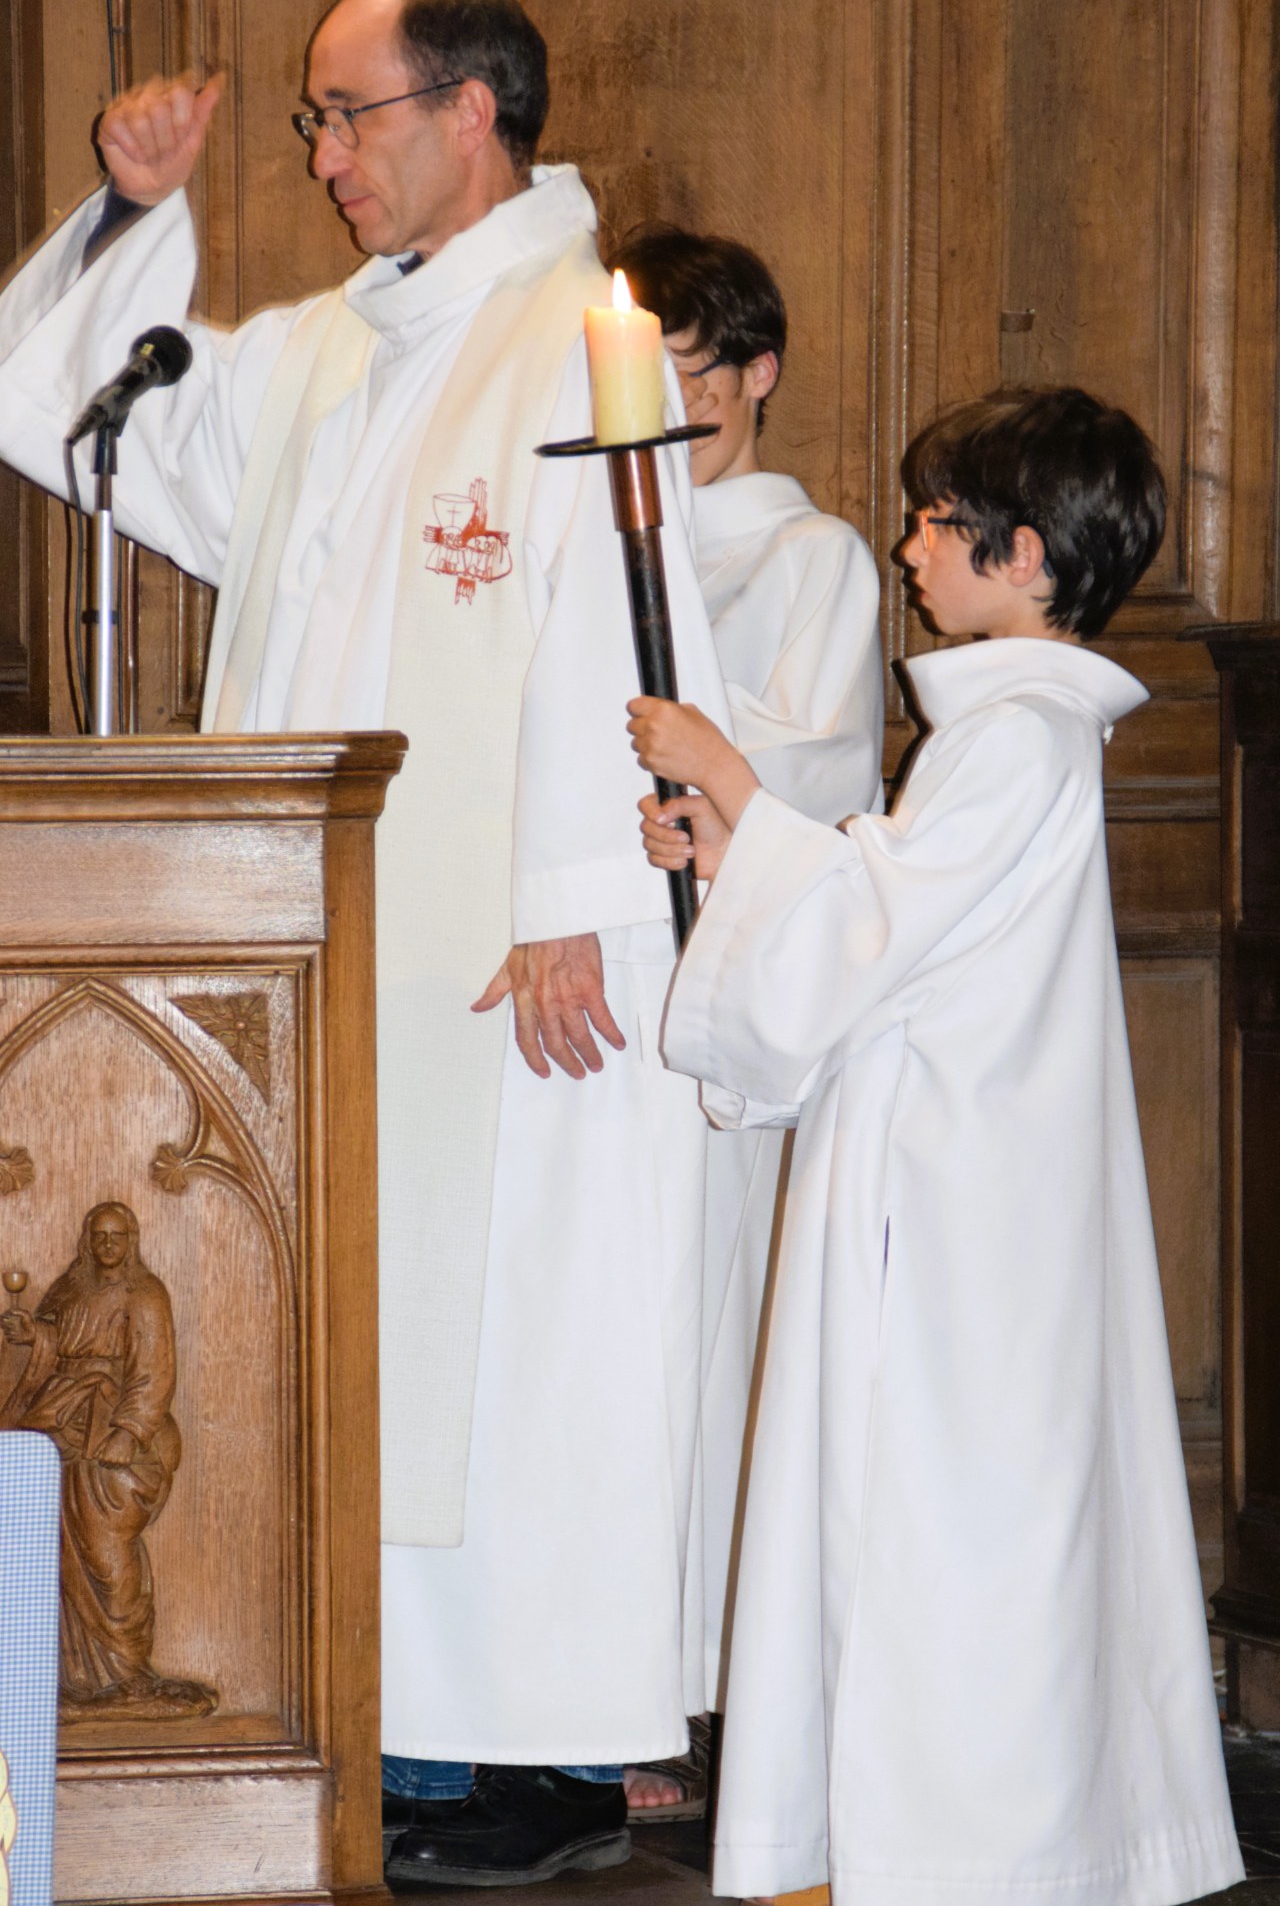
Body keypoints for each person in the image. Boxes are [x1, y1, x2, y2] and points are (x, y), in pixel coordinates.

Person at [0, 0, 730, 1886]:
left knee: (517, 1336)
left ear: (473, 108)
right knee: (361, 1334)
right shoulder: (330, 354)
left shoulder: (588, 339)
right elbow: (67, 423)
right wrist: (135, 218)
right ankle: (392, 1724)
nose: (322, 162)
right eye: (312, 126)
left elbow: (629, 628)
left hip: (506, 959)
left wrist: (581, 895)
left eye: (348, 119)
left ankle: (547, 1759)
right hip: (314, 956)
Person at [627, 388, 1244, 1906]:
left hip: (956, 1220)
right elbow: (896, 908)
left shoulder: (1017, 737)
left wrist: (738, 786)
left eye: (936, 524)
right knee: (957, 1518)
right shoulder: (1004, 737)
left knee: (951, 1526)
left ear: (1024, 556)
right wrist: (750, 836)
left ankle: (969, 1855)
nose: (908, 547)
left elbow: (869, 927)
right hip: (958, 1192)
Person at [614, 225, 882, 1813]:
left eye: (696, 370)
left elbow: (831, 771)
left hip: (732, 980)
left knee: (717, 1338)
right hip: (594, 982)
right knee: (615, 1344)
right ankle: (604, 1682)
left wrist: (706, 771)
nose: (672, 401)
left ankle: (703, 1694)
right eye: (643, 373)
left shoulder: (815, 557)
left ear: (758, 372)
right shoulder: (600, 540)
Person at [0, 1203, 214, 1718]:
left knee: (107, 1551)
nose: (108, 1244)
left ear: (132, 1238)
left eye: (118, 1235)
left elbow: (156, 1372)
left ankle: (128, 1671)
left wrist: (128, 1430)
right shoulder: (72, 1287)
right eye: (100, 1235)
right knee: (59, 1546)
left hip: (114, 1429)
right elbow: (54, 1338)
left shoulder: (145, 1295)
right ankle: (73, 1678)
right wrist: (35, 1334)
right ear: (87, 1239)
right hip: (65, 1423)